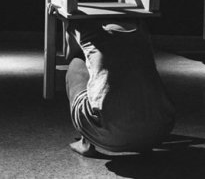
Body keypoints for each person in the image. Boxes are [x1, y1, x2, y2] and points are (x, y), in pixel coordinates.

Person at [63, 18, 175, 156]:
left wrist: (69, 28)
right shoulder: (141, 31)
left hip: (109, 136)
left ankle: (85, 142)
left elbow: (68, 54)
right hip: (160, 131)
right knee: (134, 66)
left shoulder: (86, 29)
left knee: (76, 63)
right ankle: (141, 133)